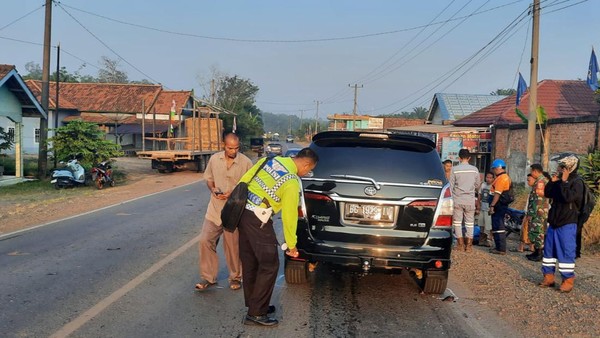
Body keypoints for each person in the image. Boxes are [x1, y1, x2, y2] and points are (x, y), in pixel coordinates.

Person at [237, 148, 318, 326]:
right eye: (308, 170)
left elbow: (244, 180)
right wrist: (292, 245)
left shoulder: (271, 160)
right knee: (269, 264)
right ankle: (256, 314)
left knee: (250, 261)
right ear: (305, 164)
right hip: (259, 219)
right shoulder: (291, 182)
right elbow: (289, 217)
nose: (306, 174)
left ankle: (255, 304)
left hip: (242, 213)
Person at [195, 133, 253, 291]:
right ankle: (208, 277)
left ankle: (235, 277)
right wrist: (212, 188)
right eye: (230, 148)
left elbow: (251, 187)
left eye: (236, 148)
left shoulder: (246, 163)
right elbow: (208, 178)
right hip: (214, 210)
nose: (233, 151)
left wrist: (233, 193)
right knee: (205, 240)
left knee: (232, 247)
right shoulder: (214, 159)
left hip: (234, 212)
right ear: (223, 145)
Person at [539, 154, 584, 293]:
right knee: (549, 251)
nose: (559, 168)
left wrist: (564, 182)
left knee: (566, 251)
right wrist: (553, 182)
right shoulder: (559, 180)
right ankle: (548, 277)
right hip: (554, 221)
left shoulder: (577, 182)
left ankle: (567, 280)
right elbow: (548, 194)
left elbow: (568, 197)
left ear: (569, 167)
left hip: (567, 222)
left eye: (562, 166)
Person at [450, 149, 481, 252]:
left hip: (457, 200)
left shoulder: (454, 169)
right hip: (470, 200)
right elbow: (477, 185)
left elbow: (451, 186)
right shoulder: (475, 170)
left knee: (457, 223)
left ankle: (460, 244)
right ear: (469, 158)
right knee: (469, 223)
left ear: (459, 158)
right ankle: (469, 246)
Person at [525, 164, 550, 262]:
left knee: (538, 232)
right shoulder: (541, 181)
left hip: (538, 212)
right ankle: (536, 251)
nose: (531, 173)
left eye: (531, 171)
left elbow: (538, 200)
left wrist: (531, 213)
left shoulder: (540, 182)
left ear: (535, 171)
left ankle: (539, 253)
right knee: (536, 231)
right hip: (539, 211)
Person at [488, 158, 512, 255]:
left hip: (499, 205)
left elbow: (497, 194)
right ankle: (499, 247)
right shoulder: (503, 177)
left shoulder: (502, 178)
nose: (493, 171)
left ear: (498, 168)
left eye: (494, 169)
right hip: (500, 205)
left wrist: (492, 205)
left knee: (498, 226)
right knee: (497, 226)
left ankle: (500, 248)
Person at [516, 174, 536, 253]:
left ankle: (522, 247)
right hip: (529, 212)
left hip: (530, 213)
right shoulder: (533, 190)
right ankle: (531, 247)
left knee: (525, 229)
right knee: (528, 229)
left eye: (529, 180)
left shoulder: (536, 190)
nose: (528, 182)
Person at [476, 171, 495, 247]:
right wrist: (478, 205)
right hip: (482, 208)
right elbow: (479, 196)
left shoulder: (493, 186)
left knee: (489, 226)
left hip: (488, 209)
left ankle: (489, 240)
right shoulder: (483, 185)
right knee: (481, 224)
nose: (488, 179)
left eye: (490, 178)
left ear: (493, 178)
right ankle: (481, 240)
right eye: (487, 177)